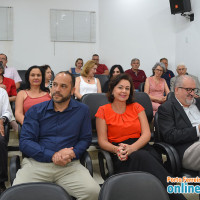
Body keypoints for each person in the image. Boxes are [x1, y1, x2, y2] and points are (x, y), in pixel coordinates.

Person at [95, 73, 186, 200]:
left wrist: (132, 148)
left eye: (127, 88)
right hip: (119, 152)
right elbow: (102, 141)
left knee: (147, 158)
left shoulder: (137, 107)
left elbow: (147, 134)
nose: (124, 91)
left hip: (141, 145)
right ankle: (177, 196)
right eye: (120, 87)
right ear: (112, 89)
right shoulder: (103, 110)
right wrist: (117, 150)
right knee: (147, 162)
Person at [13, 71, 100, 200]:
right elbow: (25, 142)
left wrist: (73, 152)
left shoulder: (82, 110)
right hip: (37, 164)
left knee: (94, 193)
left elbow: (85, 139)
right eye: (55, 85)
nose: (57, 90)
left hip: (69, 166)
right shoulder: (35, 111)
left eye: (63, 86)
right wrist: (53, 155)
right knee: (16, 195)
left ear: (72, 90)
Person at [158, 75, 200, 171]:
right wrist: (197, 129)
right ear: (176, 90)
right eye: (188, 89)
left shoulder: (198, 102)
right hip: (189, 148)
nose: (192, 93)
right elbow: (170, 136)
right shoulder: (166, 108)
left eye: (194, 89)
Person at [0, 88, 12, 194]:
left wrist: (2, 120)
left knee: (1, 141)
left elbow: (7, 112)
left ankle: (1, 182)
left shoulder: (2, 92)